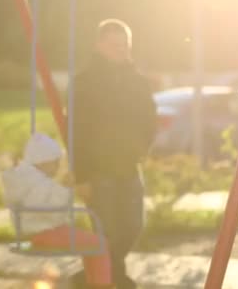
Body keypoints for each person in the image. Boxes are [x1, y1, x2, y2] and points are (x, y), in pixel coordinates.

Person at [71, 19, 157, 289]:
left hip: (130, 167)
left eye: (125, 45)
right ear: (99, 46)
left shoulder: (139, 82)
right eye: (114, 45)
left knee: (132, 227)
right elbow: (76, 131)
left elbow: (150, 119)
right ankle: (113, 281)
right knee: (106, 232)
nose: (121, 50)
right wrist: (82, 176)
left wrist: (143, 148)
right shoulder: (84, 83)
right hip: (98, 171)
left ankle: (88, 277)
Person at [0, 133, 113, 289]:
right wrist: (68, 188)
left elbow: (46, 202)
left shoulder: (25, 181)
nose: (58, 167)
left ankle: (93, 284)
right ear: (42, 161)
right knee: (100, 244)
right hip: (47, 235)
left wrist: (62, 188)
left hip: (30, 237)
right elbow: (53, 210)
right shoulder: (37, 183)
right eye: (55, 163)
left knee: (90, 246)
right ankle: (101, 285)